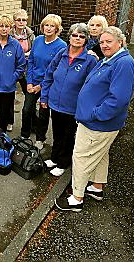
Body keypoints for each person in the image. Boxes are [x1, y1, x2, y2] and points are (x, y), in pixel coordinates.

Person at [55, 26, 134, 212]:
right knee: (100, 155)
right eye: (102, 42)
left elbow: (119, 99)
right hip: (94, 121)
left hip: (97, 123)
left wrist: (95, 115)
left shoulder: (123, 64)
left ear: (120, 42)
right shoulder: (110, 60)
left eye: (109, 41)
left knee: (82, 157)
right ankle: (97, 188)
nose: (105, 45)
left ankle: (77, 198)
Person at [40, 23, 97, 177]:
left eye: (81, 36)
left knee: (68, 135)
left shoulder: (90, 60)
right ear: (69, 36)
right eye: (74, 35)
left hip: (73, 106)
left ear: (86, 40)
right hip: (55, 103)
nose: (77, 38)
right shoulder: (61, 54)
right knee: (57, 133)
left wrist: (85, 106)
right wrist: (44, 97)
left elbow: (92, 86)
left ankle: (63, 163)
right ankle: (54, 157)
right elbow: (49, 75)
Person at [22, 14, 66, 146]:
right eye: (46, 25)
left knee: (43, 113)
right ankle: (24, 136)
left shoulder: (61, 46)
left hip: (47, 85)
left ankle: (40, 139)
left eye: (52, 26)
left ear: (57, 29)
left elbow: (56, 70)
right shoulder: (38, 40)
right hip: (32, 81)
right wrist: (29, 82)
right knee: (26, 110)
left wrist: (41, 86)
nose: (48, 28)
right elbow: (31, 62)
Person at [9, 9, 36, 131]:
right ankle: (9, 121)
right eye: (18, 20)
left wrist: (27, 54)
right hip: (12, 69)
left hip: (26, 69)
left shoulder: (30, 35)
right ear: (14, 21)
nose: (21, 22)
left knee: (30, 97)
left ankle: (32, 122)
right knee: (9, 96)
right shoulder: (9, 34)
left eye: (23, 20)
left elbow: (34, 51)